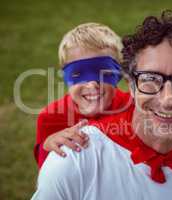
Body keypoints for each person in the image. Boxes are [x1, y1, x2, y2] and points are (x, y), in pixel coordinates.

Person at [31, 11, 172, 200]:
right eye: (150, 79)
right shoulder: (63, 138)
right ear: (132, 85)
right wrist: (51, 146)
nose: (167, 99)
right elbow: (49, 176)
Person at [34, 22, 131, 169]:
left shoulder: (134, 108)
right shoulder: (51, 117)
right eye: (78, 74)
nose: (91, 85)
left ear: (119, 73)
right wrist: (48, 146)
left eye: (103, 72)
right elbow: (48, 176)